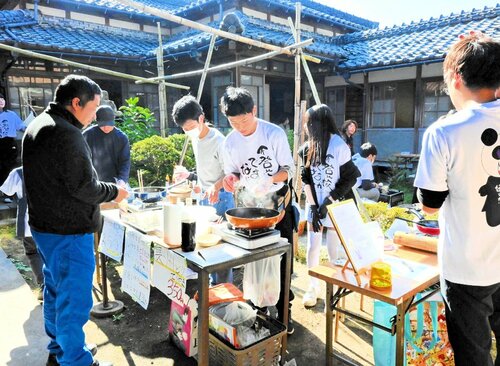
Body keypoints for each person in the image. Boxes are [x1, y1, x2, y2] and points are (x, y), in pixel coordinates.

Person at [22, 74, 128, 366]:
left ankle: (62, 349)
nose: (94, 116)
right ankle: (76, 360)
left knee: (56, 291)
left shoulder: (40, 124)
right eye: (93, 109)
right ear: (76, 103)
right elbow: (85, 187)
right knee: (74, 300)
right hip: (68, 230)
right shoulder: (65, 133)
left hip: (46, 227)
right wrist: (116, 192)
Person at [414, 32, 500, 365]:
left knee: (474, 353)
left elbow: (429, 205)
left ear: (455, 77)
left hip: (468, 268)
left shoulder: (445, 131)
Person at [220, 86, 296, 334]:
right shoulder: (230, 142)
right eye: (233, 123)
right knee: (253, 262)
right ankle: (257, 310)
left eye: (244, 120)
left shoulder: (273, 134)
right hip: (251, 207)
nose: (240, 127)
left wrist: (272, 180)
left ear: (254, 111)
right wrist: (230, 179)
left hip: (278, 204)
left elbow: (289, 169)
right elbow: (233, 173)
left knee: (283, 263)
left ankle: (285, 314)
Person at [299, 104, 360, 307]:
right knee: (312, 245)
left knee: (333, 249)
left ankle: (331, 289)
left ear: (318, 123)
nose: (306, 127)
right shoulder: (308, 147)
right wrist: (314, 206)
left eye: (308, 123)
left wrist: (329, 201)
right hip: (315, 204)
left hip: (335, 204)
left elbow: (350, 177)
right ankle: (313, 286)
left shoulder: (339, 146)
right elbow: (305, 178)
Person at [171, 95, 234, 285]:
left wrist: (215, 186)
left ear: (201, 118)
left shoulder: (219, 141)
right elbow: (204, 170)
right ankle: (210, 291)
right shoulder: (195, 138)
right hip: (205, 198)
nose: (188, 132)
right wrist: (188, 176)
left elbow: (230, 174)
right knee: (205, 246)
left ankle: (223, 295)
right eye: (184, 129)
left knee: (221, 251)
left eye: (190, 127)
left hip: (222, 198)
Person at [0, 167, 44, 300]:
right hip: (50, 221)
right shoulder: (49, 166)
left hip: (28, 223)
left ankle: (43, 285)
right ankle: (55, 285)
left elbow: (6, 190)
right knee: (51, 252)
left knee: (32, 252)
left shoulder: (18, 173)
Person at [83, 105, 130, 185]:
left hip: (115, 182)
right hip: (92, 182)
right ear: (97, 121)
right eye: (103, 125)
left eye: (109, 124)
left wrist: (122, 179)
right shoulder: (87, 135)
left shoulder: (121, 138)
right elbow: (81, 159)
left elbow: (125, 161)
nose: (106, 128)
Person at [0, 92, 26, 193]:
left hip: (9, 143)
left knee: (8, 167)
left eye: (2, 99)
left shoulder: (11, 114)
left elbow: (21, 126)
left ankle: (8, 194)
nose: (1, 101)